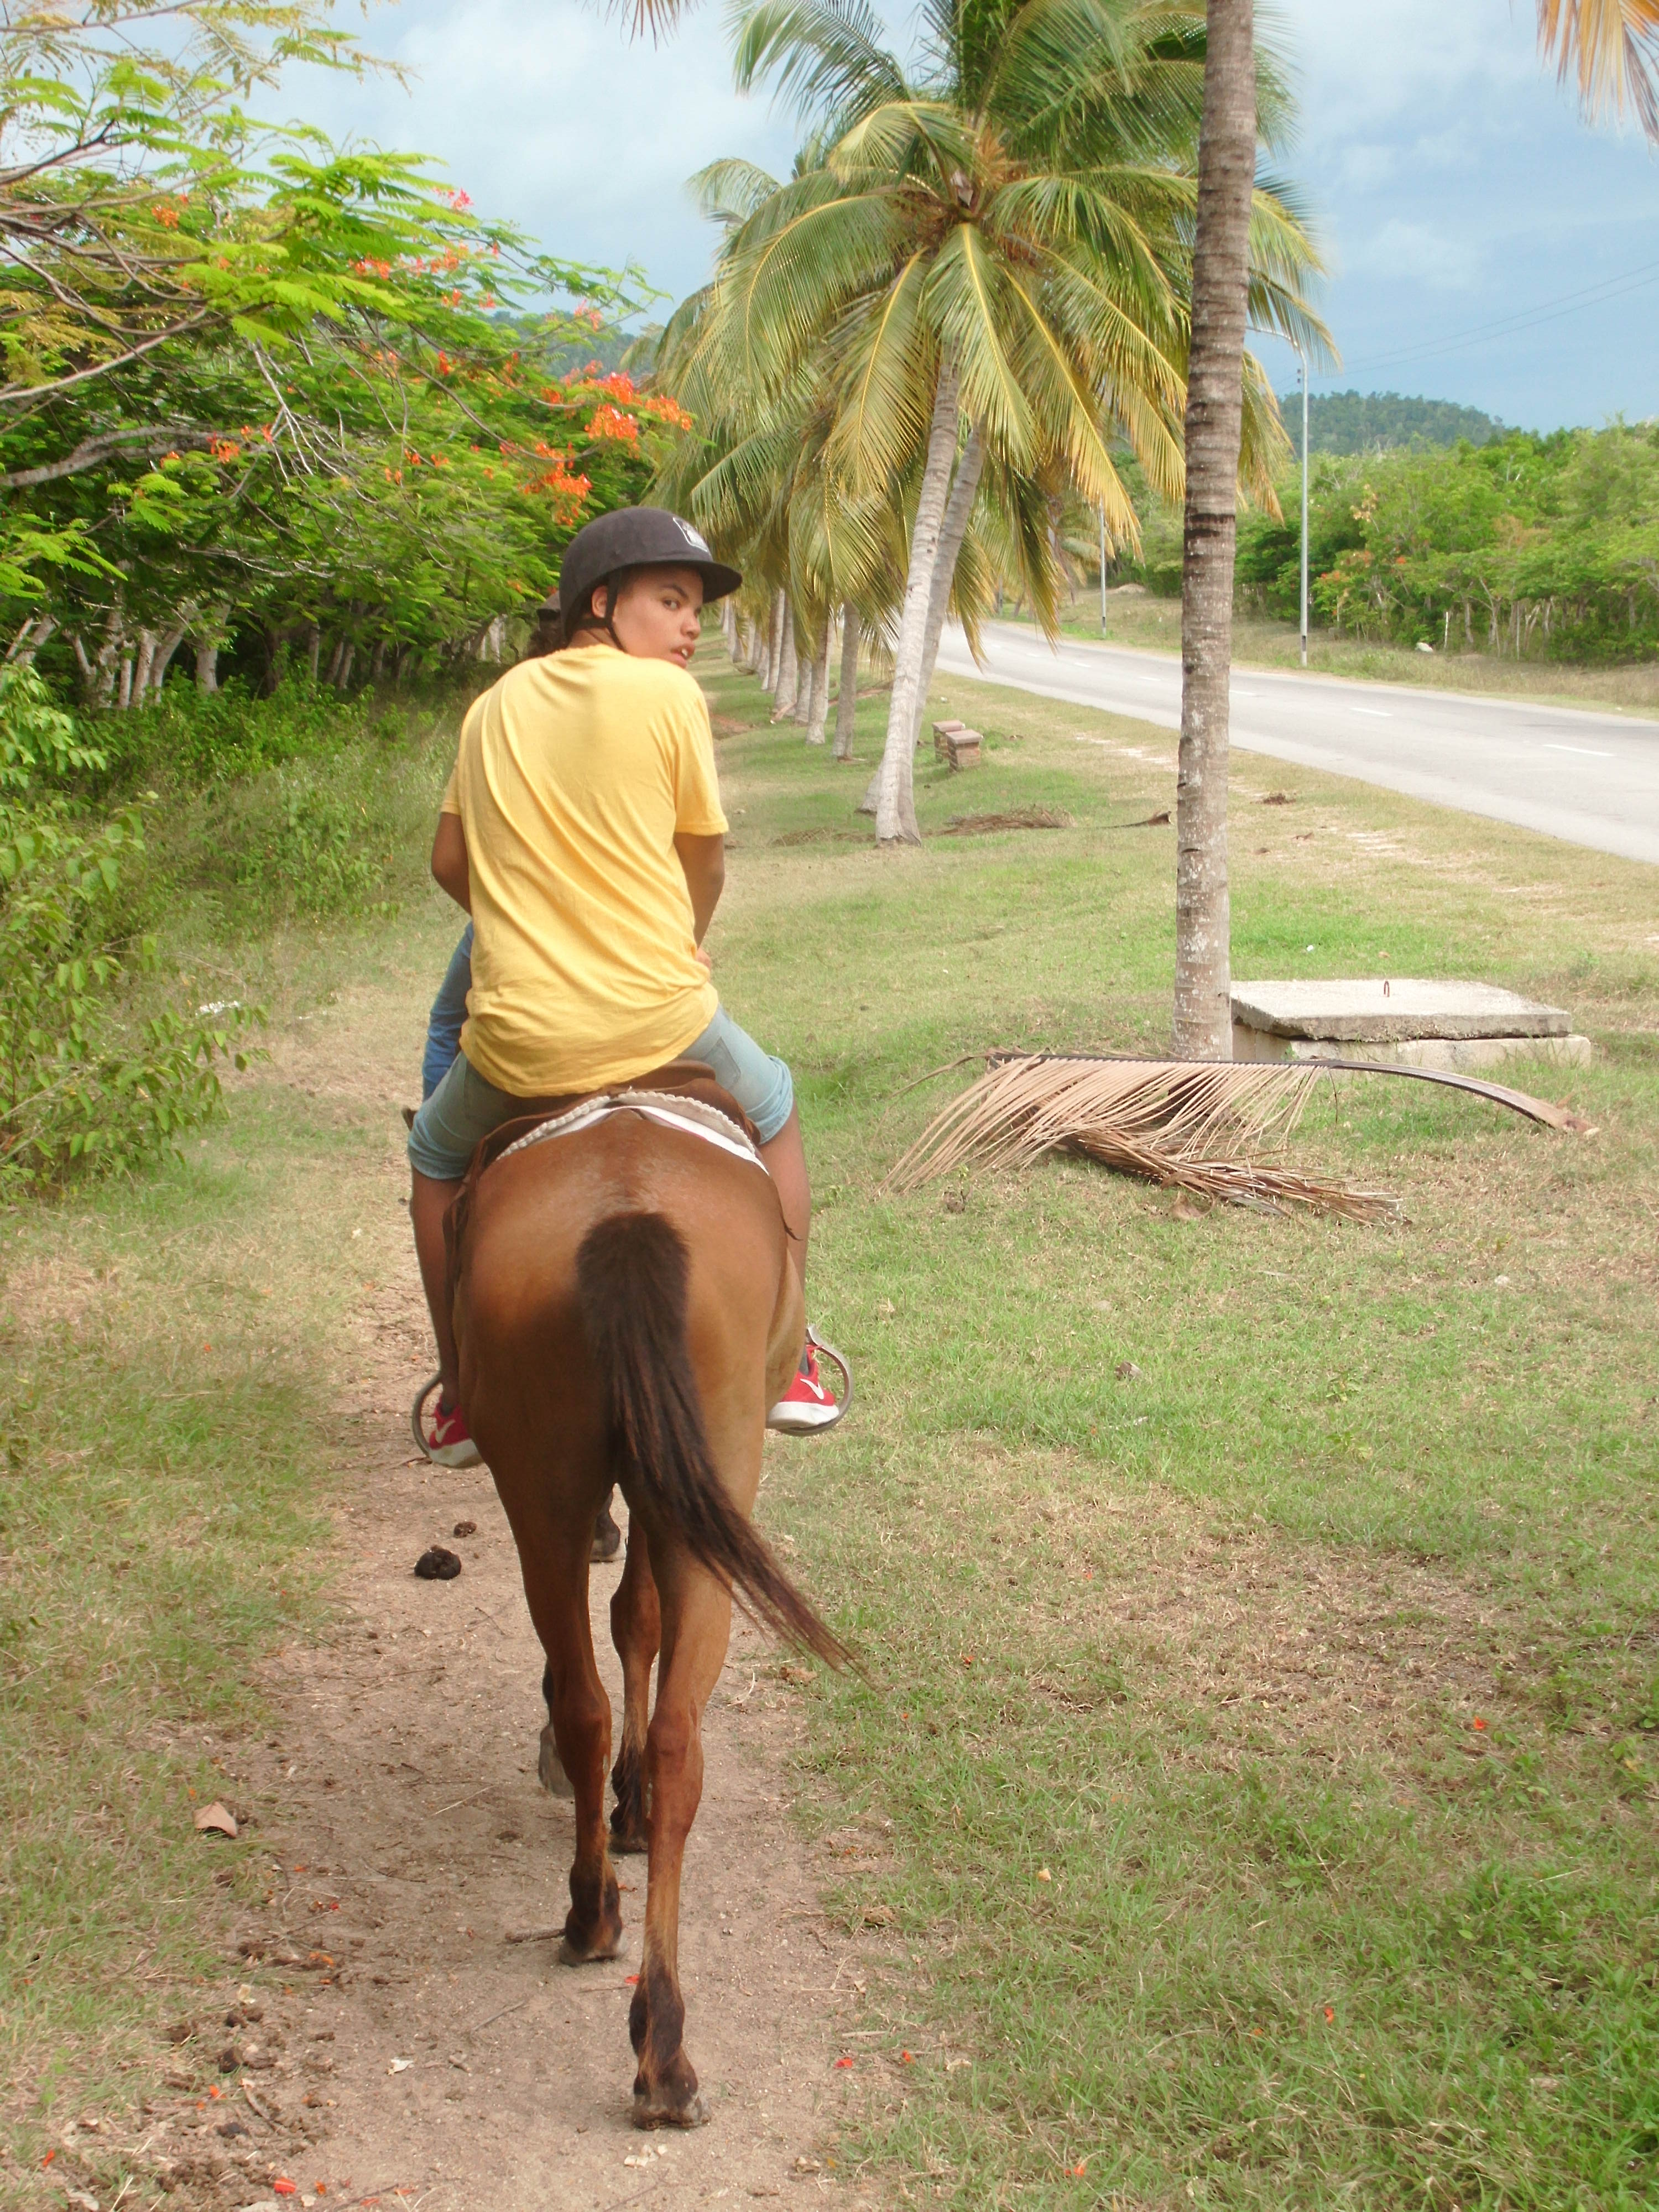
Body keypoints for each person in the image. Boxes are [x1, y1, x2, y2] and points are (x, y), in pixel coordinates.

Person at [406, 507, 841, 1467]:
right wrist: (675, 944)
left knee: (436, 1162)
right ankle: (795, 1357)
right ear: (602, 603)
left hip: (519, 1042)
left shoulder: (490, 709)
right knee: (774, 1108)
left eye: (695, 610)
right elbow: (708, 864)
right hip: (660, 1020)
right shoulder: (668, 700)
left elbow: (449, 862)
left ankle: (461, 1394)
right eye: (671, 602)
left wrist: (530, 915)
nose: (691, 627)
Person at [418, 594, 561, 1101]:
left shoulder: (494, 711)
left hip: (511, 914)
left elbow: (447, 861)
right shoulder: (633, 707)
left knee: (445, 1027)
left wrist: (499, 912)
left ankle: (436, 1156)